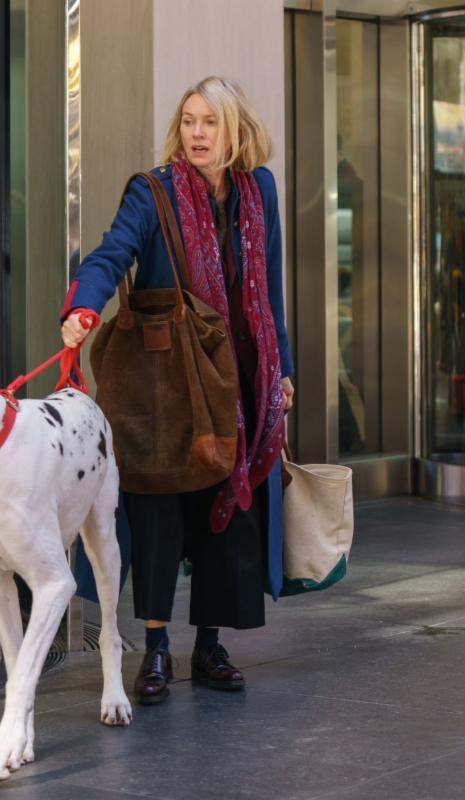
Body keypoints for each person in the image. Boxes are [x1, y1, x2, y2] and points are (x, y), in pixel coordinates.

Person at [60, 76, 295, 706]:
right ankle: (157, 647)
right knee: (159, 508)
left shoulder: (258, 189)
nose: (196, 133)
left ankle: (210, 645)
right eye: (189, 120)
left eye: (209, 122)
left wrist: (285, 370)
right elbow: (110, 254)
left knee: (228, 508)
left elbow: (268, 290)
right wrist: (85, 305)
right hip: (167, 382)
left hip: (238, 381)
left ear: (234, 128)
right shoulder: (153, 191)